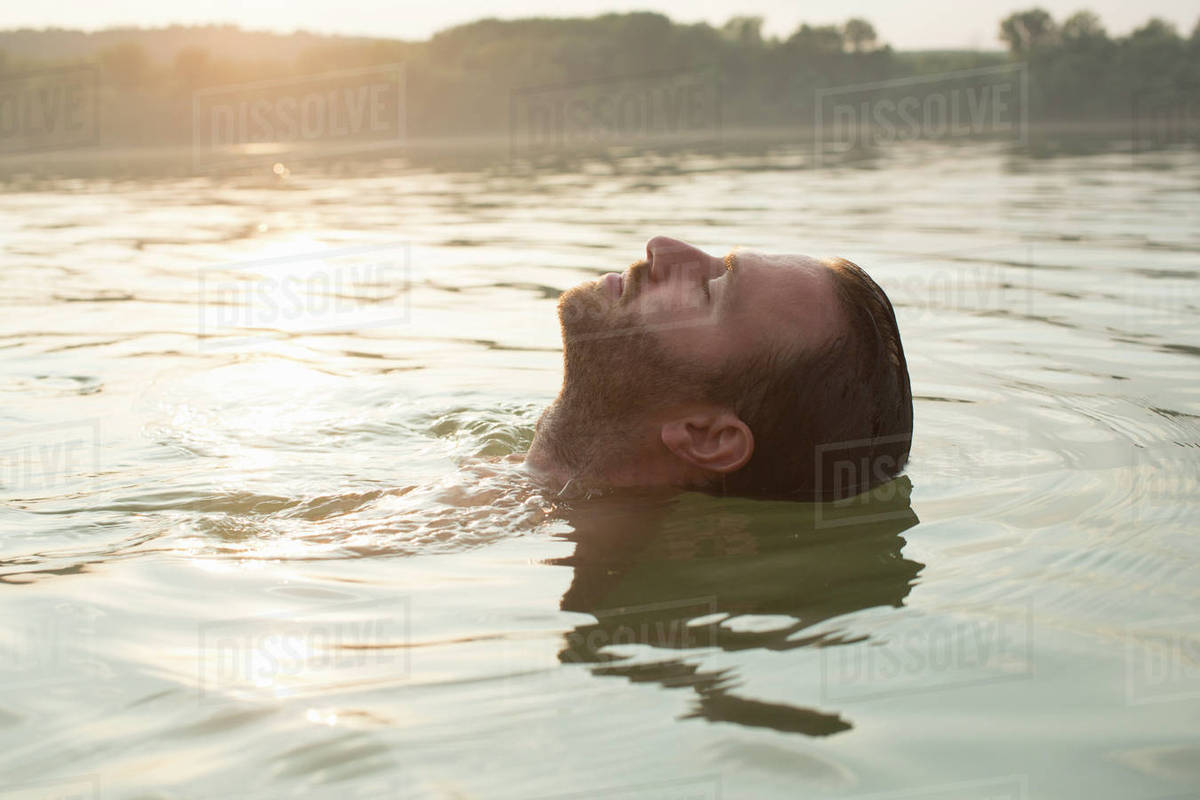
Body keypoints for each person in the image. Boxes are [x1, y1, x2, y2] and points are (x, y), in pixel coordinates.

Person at [525, 236, 912, 500]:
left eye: (707, 290)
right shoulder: (505, 499)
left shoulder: (488, 541)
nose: (661, 247)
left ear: (707, 438)